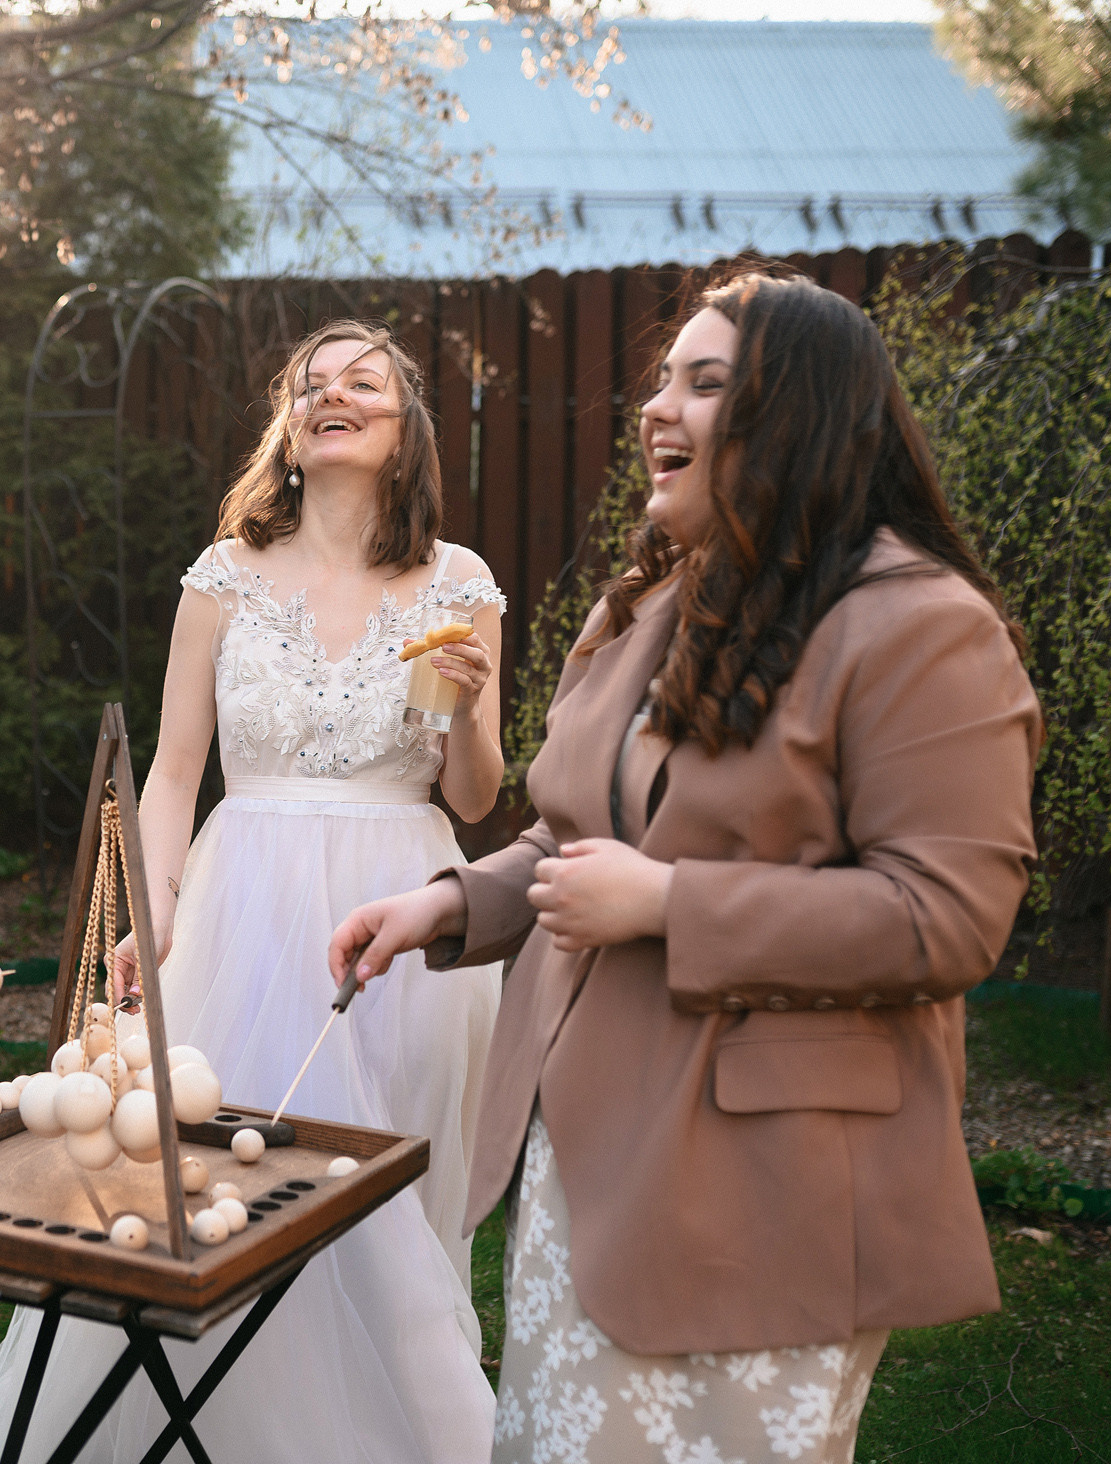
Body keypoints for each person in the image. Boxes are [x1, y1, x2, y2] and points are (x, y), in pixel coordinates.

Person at [330, 272, 1041, 1464]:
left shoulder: (923, 625)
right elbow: (577, 832)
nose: (659, 408)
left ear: (798, 415)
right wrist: (451, 901)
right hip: (589, 1153)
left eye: (705, 384)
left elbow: (947, 917)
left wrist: (670, 906)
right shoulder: (651, 603)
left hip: (764, 1186)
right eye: (663, 378)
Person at [0, 321, 503, 1463]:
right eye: (310, 385)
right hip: (244, 914)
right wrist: (157, 909)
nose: (330, 395)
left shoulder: (458, 581)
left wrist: (476, 706)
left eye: (362, 384)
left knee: (372, 1210)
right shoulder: (224, 575)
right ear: (290, 428)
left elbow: (478, 799)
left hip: (397, 920)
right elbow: (174, 773)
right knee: (211, 1184)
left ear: (404, 432)